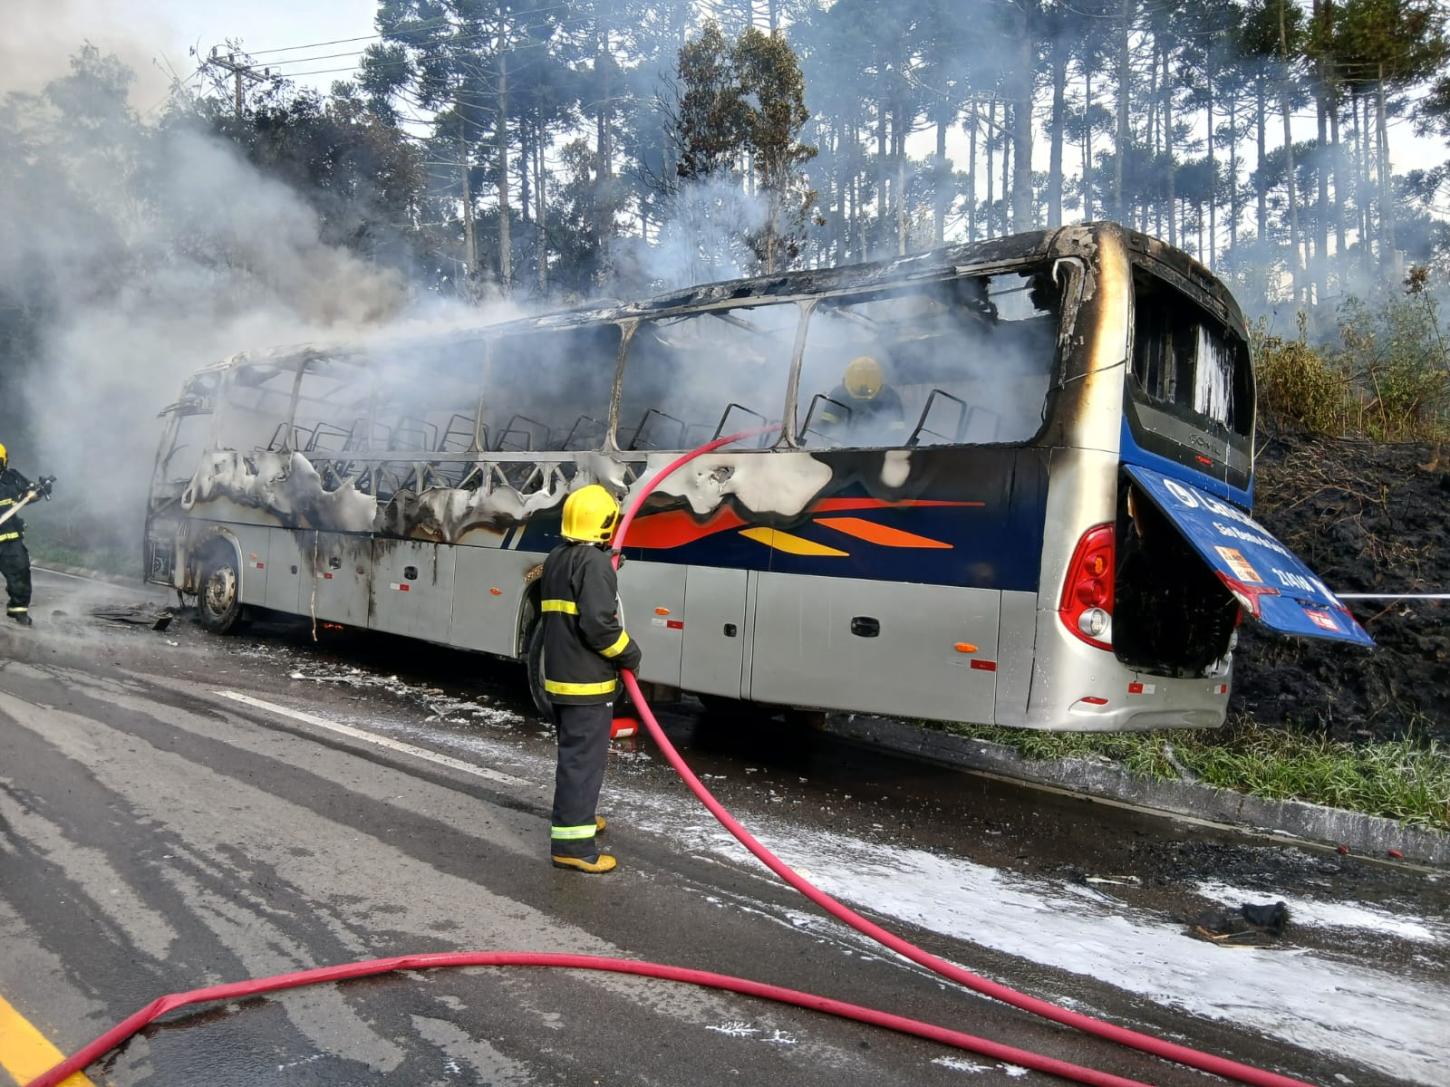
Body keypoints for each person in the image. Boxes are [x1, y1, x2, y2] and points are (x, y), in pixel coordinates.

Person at [540, 483, 642, 874]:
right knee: (583, 763)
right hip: (588, 684)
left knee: (575, 758)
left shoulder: (556, 558)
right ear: (604, 525)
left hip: (562, 680)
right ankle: (574, 846)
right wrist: (630, 654)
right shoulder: (594, 565)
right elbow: (600, 627)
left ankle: (579, 816)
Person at [0, 441, 50, 627]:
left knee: (20, 572)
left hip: (10, 538)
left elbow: (28, 494)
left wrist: (40, 490)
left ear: (4, 462)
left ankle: (18, 611)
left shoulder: (12, 477)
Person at [818, 355, 906, 443]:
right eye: (858, 389)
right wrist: (833, 442)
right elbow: (827, 425)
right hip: (843, 445)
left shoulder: (889, 395)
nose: (863, 390)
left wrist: (887, 442)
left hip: (880, 446)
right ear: (846, 382)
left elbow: (897, 428)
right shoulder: (837, 395)